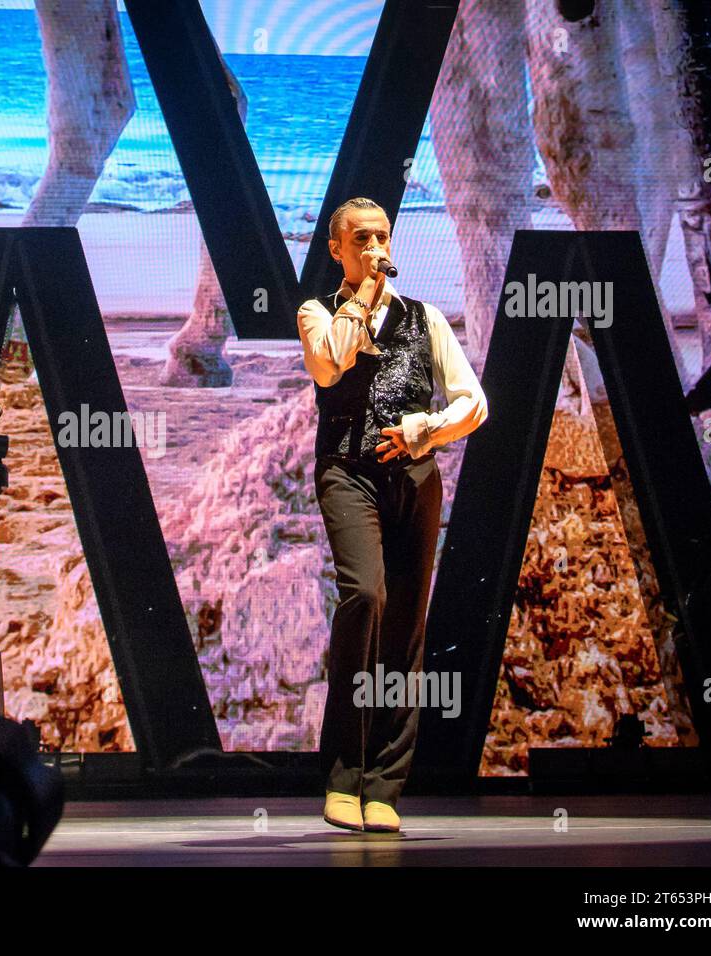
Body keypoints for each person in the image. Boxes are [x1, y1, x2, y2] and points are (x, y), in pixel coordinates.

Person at [297, 197, 489, 832]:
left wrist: (427, 430)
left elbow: (473, 402)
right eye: (363, 240)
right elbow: (330, 365)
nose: (377, 247)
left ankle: (384, 783)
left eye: (383, 237)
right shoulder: (317, 313)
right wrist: (361, 297)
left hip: (414, 477)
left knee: (407, 628)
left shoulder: (424, 317)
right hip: (347, 472)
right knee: (367, 596)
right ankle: (343, 772)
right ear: (339, 249)